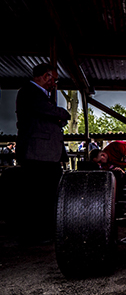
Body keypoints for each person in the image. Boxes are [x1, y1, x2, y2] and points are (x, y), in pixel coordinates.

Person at [16, 63, 71, 243]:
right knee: (37, 196)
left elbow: (54, 117)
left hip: (45, 154)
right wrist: (61, 113)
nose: (54, 83)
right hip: (37, 154)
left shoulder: (41, 95)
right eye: (53, 79)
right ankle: (35, 234)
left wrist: (58, 117)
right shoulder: (30, 92)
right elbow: (53, 113)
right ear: (46, 76)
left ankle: (45, 232)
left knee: (47, 194)